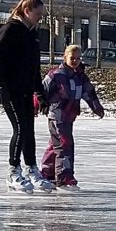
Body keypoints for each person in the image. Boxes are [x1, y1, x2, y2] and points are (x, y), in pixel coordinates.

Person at [0, 0, 54, 194]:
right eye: (38, 14)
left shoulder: (31, 33)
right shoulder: (10, 30)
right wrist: (1, 88)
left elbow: (34, 68)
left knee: (29, 131)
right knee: (20, 129)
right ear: (27, 12)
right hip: (11, 91)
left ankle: (31, 169)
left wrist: (41, 94)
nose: (40, 18)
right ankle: (13, 171)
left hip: (26, 91)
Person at [39, 44, 104, 191]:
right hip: (57, 116)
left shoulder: (80, 76)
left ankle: (47, 173)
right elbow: (41, 92)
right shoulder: (56, 75)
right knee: (64, 144)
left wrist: (96, 107)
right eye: (72, 58)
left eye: (78, 58)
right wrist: (35, 106)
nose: (75, 61)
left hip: (69, 116)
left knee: (55, 145)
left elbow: (89, 93)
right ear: (64, 57)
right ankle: (64, 178)